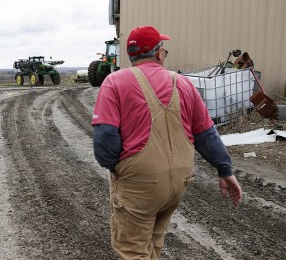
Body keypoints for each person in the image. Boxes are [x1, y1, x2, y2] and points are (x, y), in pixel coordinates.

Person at [92, 25, 243, 259]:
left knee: (133, 249)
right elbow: (206, 134)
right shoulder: (183, 83)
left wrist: (115, 166)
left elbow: (105, 138)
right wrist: (224, 169)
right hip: (176, 185)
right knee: (153, 242)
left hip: (140, 184)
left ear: (132, 55)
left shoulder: (114, 82)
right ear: (159, 53)